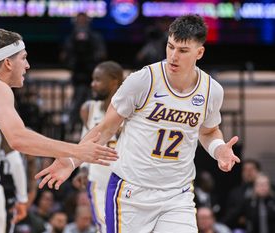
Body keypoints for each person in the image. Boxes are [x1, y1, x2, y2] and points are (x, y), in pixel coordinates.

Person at [36, 14, 241, 233]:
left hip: (176, 195)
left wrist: (219, 150)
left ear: (199, 52)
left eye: (182, 51)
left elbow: (209, 131)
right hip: (131, 193)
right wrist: (71, 158)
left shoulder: (211, 90)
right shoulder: (143, 80)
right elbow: (106, 129)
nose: (173, 56)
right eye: (170, 47)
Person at [0, 27, 117, 233]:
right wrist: (75, 151)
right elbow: (18, 138)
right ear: (8, 62)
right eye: (23, 58)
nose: (27, 65)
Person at [72, 61, 123, 233]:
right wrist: (83, 169)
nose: (93, 84)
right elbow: (84, 142)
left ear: (114, 81)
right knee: (105, 227)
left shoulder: (131, 111)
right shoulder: (88, 109)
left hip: (125, 182)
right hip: (98, 181)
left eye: (98, 80)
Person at [60, 12, 107, 131]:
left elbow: (102, 54)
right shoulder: (70, 38)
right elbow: (64, 56)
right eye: (79, 21)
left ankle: (93, 128)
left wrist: (93, 59)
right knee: (77, 101)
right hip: (78, 75)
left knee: (93, 101)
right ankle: (70, 127)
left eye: (83, 21)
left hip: (92, 75)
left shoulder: (95, 37)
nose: (81, 23)